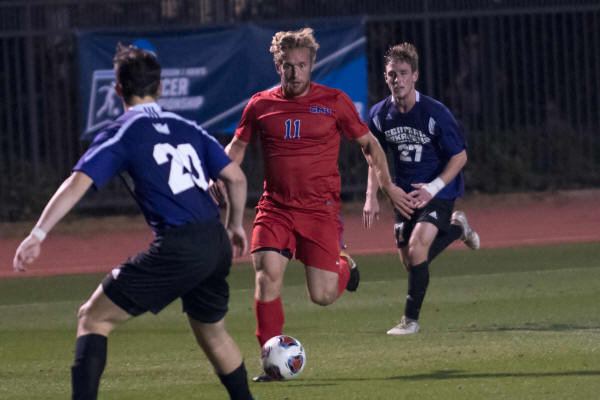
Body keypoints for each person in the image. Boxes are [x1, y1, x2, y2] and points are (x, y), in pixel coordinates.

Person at [13, 44, 254, 400]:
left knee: (93, 318)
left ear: (118, 90)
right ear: (160, 88)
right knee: (213, 333)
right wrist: (234, 225)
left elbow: (77, 183)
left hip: (180, 246)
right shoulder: (188, 128)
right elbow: (236, 178)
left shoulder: (123, 132)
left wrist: (37, 233)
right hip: (214, 240)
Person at [215, 28, 415, 381]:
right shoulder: (260, 104)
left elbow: (370, 145)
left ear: (312, 65)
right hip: (275, 208)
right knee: (266, 276)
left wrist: (386, 185)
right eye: (287, 66)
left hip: (319, 210)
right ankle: (271, 363)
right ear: (278, 65)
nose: (294, 72)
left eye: (301, 65)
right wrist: (219, 172)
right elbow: (237, 146)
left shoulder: (334, 101)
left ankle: (344, 266)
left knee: (322, 295)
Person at [363, 43, 480, 335]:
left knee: (417, 250)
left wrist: (433, 187)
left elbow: (460, 156)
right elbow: (374, 157)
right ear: (385, 77)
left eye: (404, 73)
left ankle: (410, 321)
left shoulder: (435, 113)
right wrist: (372, 195)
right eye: (392, 74)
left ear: (415, 76)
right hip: (403, 194)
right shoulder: (378, 115)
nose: (398, 79)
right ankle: (457, 228)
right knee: (410, 262)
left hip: (439, 190)